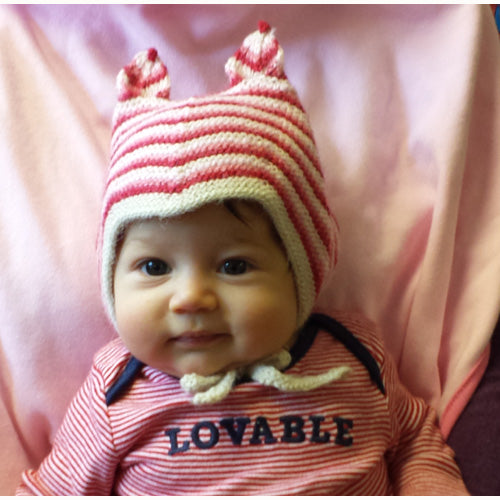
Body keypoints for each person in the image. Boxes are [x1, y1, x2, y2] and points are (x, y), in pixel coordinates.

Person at [17, 22, 468, 495]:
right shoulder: (116, 394)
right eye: (154, 267)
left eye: (234, 266)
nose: (191, 298)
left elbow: (415, 438)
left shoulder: (355, 355)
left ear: (302, 272)